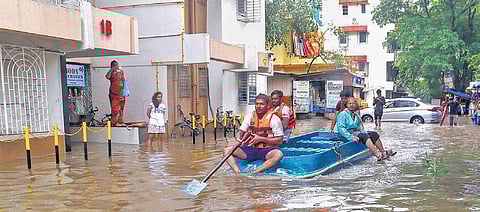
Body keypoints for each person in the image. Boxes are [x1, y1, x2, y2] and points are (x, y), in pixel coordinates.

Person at [224, 94, 284, 174]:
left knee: (278, 155)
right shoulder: (249, 116)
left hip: (267, 150)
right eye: (257, 104)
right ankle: (237, 172)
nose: (258, 106)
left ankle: (255, 172)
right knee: (227, 150)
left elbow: (279, 140)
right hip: (251, 149)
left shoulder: (274, 119)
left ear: (268, 105)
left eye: (262, 104)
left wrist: (261, 139)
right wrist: (239, 140)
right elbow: (241, 132)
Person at [105, 60, 127, 126]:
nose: (117, 67)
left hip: (121, 93)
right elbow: (107, 77)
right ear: (113, 66)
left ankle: (121, 121)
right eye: (116, 66)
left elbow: (124, 80)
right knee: (115, 109)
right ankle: (115, 122)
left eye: (118, 65)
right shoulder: (111, 73)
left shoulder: (120, 72)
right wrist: (112, 70)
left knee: (121, 108)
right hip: (114, 94)